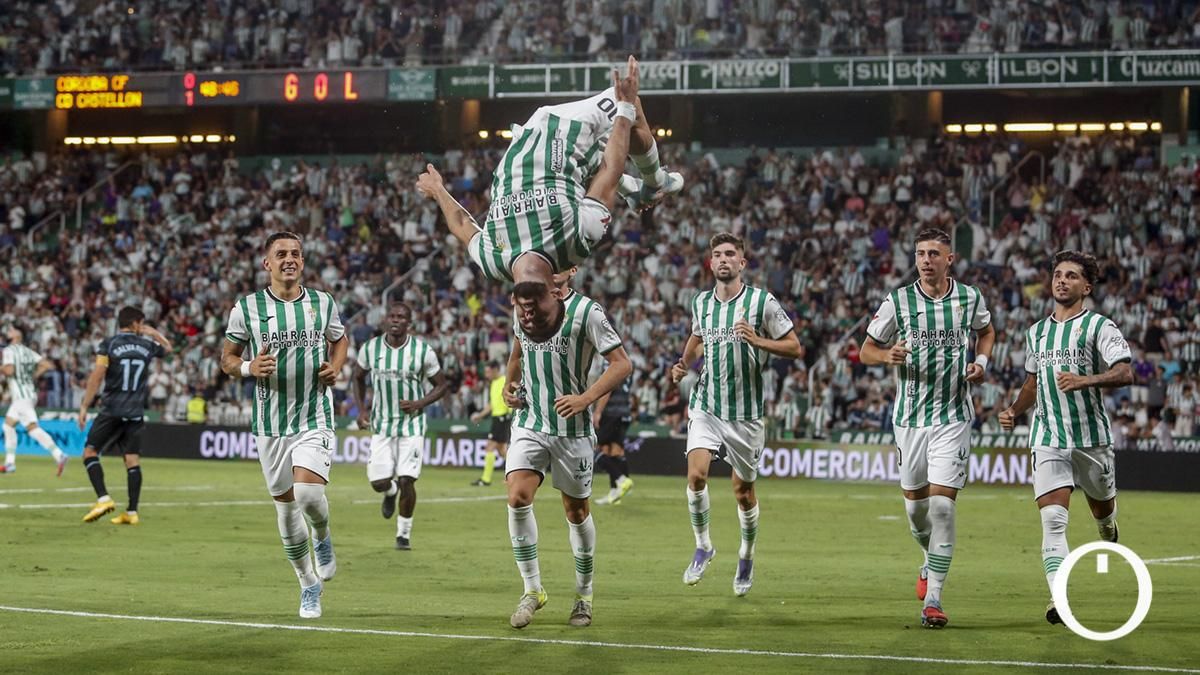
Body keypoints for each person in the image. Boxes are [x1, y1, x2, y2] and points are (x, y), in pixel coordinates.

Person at [415, 56, 682, 330]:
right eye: (542, 318)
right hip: (568, 133)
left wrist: (438, 190)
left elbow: (462, 224)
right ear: (556, 296)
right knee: (631, 106)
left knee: (611, 141)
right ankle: (655, 181)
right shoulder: (575, 245)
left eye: (527, 321)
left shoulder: (493, 261)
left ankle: (637, 191)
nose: (531, 316)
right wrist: (624, 107)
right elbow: (608, 173)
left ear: (513, 303)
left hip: (525, 138)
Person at [859, 228, 995, 629]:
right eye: (920, 253)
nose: (925, 259)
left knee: (941, 507)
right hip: (909, 421)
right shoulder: (898, 301)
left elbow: (986, 332)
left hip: (953, 417)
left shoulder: (969, 298)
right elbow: (866, 350)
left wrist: (981, 364)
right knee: (917, 513)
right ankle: (927, 558)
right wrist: (888, 355)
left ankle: (934, 598)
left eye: (934, 253)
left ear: (949, 259)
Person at [998, 250, 1133, 626]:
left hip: (1092, 441)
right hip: (1049, 436)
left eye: (1071, 276)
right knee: (1053, 520)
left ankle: (1108, 527)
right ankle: (1060, 598)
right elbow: (1032, 382)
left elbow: (1125, 373)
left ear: (1086, 286)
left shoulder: (1099, 327)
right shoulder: (1036, 332)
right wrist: (1014, 410)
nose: (1062, 280)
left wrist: (1084, 380)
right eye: (1058, 274)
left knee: (1103, 513)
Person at [220, 231, 349, 620]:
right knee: (286, 509)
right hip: (270, 424)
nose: (289, 259)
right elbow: (227, 358)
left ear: (303, 262)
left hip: (315, 414)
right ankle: (307, 583)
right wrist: (247, 367)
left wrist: (336, 367)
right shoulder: (247, 307)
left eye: (295, 253)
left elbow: (339, 340)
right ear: (267, 264)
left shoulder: (322, 303)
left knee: (308, 496)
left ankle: (323, 536)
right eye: (281, 254)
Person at [670, 232, 803, 597]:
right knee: (696, 476)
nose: (724, 259)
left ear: (742, 263)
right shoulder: (701, 303)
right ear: (711, 263)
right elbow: (697, 337)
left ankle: (746, 554)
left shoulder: (762, 303)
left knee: (743, 492)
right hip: (707, 405)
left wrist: (758, 340)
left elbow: (795, 347)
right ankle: (704, 546)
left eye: (731, 254)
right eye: (717, 254)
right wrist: (684, 364)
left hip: (745, 415)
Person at [501, 279, 632, 629]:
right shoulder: (525, 308)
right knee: (517, 497)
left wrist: (585, 399)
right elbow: (517, 353)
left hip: (572, 431)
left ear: (571, 270)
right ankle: (532, 590)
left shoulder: (587, 312)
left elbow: (621, 364)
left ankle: (583, 596)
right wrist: (509, 386)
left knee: (576, 512)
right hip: (529, 422)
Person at [352, 302, 448, 550]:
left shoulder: (421, 351)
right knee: (378, 483)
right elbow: (358, 378)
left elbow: (441, 385)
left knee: (408, 479)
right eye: (392, 316)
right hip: (381, 425)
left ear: (409, 323)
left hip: (412, 426)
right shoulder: (371, 349)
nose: (395, 320)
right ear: (385, 320)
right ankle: (389, 490)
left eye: (401, 317)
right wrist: (362, 410)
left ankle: (403, 534)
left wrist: (419, 403)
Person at [76, 307, 172, 525]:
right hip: (136, 412)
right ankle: (131, 512)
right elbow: (169, 349)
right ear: (137, 323)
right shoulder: (148, 345)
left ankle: (103, 499)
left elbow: (97, 376)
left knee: (90, 452)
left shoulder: (109, 344)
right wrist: (154, 333)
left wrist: (84, 406)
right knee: (131, 460)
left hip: (112, 409)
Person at [2, 325, 68, 475]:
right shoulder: (27, 351)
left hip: (21, 397)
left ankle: (59, 455)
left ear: (17, 336)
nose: (9, 331)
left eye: (12, 330)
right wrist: (33, 376)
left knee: (32, 429)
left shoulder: (9, 351)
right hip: (29, 394)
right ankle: (10, 463)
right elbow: (47, 365)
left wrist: (2, 368)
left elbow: (10, 370)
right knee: (8, 426)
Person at [592, 366, 635, 505]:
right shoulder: (626, 361)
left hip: (611, 414)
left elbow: (607, 388)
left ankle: (622, 479)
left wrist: (598, 412)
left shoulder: (608, 363)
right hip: (624, 413)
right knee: (615, 451)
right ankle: (615, 493)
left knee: (595, 449)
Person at [470, 361, 511, 487]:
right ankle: (514, 476)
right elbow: (492, 405)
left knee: (490, 447)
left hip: (502, 418)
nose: (487, 375)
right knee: (501, 450)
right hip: (497, 418)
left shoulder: (505, 381)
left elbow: (510, 398)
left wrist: (509, 414)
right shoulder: (493, 383)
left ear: (495, 370)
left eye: (488, 372)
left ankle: (486, 479)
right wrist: (480, 416)